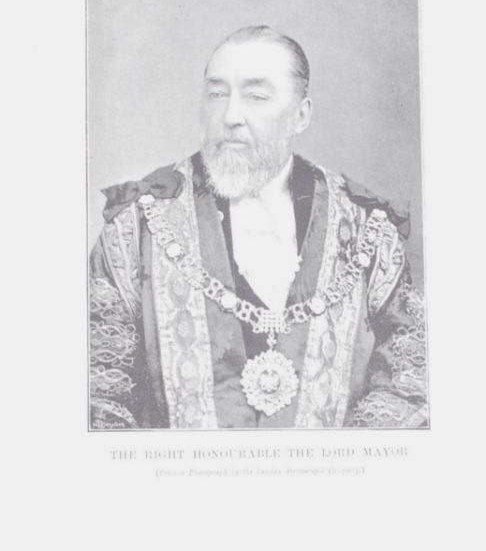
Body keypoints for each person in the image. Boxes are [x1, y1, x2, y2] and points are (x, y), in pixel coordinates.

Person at [89, 25, 428, 429]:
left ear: (301, 115)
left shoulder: (367, 229)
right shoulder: (137, 226)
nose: (231, 116)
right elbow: (98, 394)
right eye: (217, 94)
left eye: (256, 97)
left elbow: (409, 380)